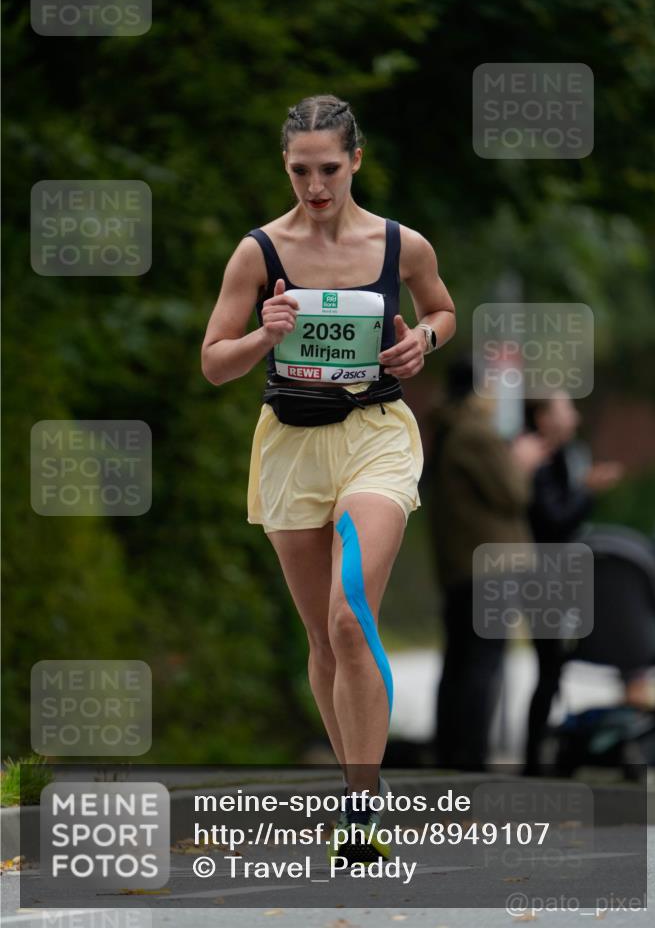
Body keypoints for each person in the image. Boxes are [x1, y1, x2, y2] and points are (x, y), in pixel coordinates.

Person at [201, 94, 455, 860]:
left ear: (356, 161)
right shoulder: (259, 252)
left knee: (352, 617)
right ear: (285, 165)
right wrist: (260, 336)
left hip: (374, 436)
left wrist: (424, 344)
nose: (315, 186)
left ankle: (362, 809)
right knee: (321, 635)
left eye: (329, 169)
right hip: (290, 445)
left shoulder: (398, 245)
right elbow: (214, 361)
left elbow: (440, 310)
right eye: (300, 170)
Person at [428, 355, 548, 770]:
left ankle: (451, 756)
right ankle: (471, 761)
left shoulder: (448, 429)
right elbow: (514, 493)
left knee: (459, 661)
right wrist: (525, 462)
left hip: (463, 566)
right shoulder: (476, 434)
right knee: (483, 664)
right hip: (492, 568)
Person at [523, 391, 624, 774]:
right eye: (567, 409)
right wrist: (589, 491)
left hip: (561, 574)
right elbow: (553, 521)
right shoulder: (537, 459)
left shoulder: (567, 455)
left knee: (552, 668)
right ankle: (533, 760)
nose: (575, 417)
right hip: (541, 575)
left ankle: (545, 754)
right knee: (548, 666)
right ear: (544, 417)